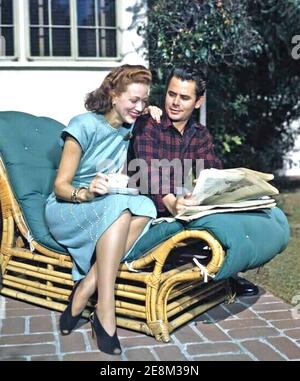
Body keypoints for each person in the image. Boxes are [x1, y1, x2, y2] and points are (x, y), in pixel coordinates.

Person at [45, 64, 157, 355]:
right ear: (113, 94)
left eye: (144, 100)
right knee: (120, 211)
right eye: (134, 100)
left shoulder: (128, 124)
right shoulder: (82, 125)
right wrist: (85, 192)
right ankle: (105, 310)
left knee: (146, 206)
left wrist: (153, 109)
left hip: (102, 203)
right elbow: (60, 186)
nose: (139, 106)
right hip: (67, 206)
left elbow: (144, 111)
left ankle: (85, 288)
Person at [127, 66, 259, 297]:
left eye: (184, 97)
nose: (175, 102)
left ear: (198, 101)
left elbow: (212, 173)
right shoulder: (149, 124)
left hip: (184, 205)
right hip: (149, 208)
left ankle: (228, 273)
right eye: (171, 94)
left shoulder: (200, 135)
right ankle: (218, 274)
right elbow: (148, 172)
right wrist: (170, 201)